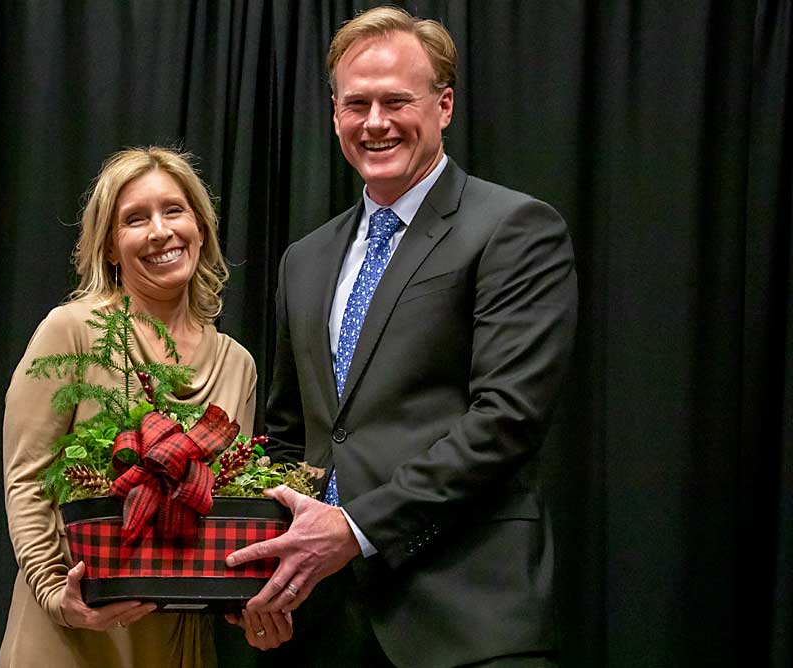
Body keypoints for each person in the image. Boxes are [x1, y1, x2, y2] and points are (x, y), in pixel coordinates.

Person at [226, 7, 578, 668]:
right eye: (356, 103)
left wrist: (353, 530)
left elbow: (505, 422)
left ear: (444, 106)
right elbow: (288, 437)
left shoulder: (514, 230)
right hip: (319, 626)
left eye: (396, 100)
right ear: (334, 115)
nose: (376, 122)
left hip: (466, 620)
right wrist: (260, 578)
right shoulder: (304, 259)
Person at [0, 147, 291, 667]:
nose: (160, 232)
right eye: (135, 219)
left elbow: (226, 502)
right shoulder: (72, 332)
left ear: (201, 229)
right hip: (74, 632)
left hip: (177, 640)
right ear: (110, 247)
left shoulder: (237, 363)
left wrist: (251, 600)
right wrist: (55, 594)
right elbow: (28, 476)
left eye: (174, 211)